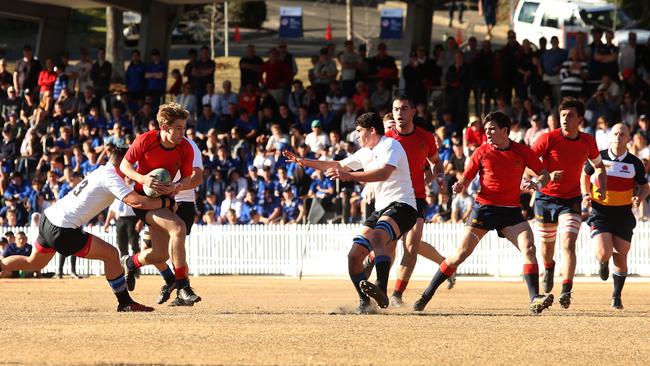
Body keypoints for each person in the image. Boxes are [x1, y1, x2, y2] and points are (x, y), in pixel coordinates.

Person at [414, 111, 554, 314]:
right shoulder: (481, 151)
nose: (487, 132)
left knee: (529, 248)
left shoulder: (523, 151)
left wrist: (537, 182)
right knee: (459, 255)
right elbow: (466, 177)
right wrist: (460, 185)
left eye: (492, 129)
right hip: (485, 209)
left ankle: (535, 299)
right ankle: (426, 295)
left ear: (505, 131)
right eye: (486, 129)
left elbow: (545, 174)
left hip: (510, 212)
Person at [284, 112, 418, 313]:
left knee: (378, 237)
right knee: (354, 256)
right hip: (383, 209)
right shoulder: (364, 152)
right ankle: (365, 303)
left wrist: (349, 175)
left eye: (358, 131)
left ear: (372, 130)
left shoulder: (391, 145)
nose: (356, 136)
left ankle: (381, 289)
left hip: (403, 206)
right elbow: (336, 165)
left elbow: (383, 173)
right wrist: (304, 161)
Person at [0, 148, 164, 312]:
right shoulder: (112, 177)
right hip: (63, 228)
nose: (133, 169)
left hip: (49, 219)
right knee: (112, 255)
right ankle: (125, 302)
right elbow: (137, 202)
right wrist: (166, 203)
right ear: (123, 164)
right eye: (131, 164)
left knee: (34, 262)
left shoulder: (102, 170)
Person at [364, 98, 453, 306]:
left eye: (404, 108)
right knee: (389, 244)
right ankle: (372, 265)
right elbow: (371, 165)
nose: (399, 113)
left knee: (411, 246)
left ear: (413, 111)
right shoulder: (385, 139)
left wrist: (436, 177)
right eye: (395, 109)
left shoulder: (426, 137)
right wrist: (368, 186)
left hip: (417, 198)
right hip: (391, 198)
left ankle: (396, 294)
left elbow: (436, 162)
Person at [119, 102, 201, 306]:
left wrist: (177, 185)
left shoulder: (185, 148)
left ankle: (130, 262)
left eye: (184, 127)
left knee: (160, 254)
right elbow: (124, 165)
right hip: (143, 201)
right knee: (178, 228)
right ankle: (183, 286)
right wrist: (143, 179)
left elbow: (189, 177)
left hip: (165, 200)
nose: (184, 132)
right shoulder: (145, 140)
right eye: (179, 128)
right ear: (165, 127)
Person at [531, 97, 607, 309]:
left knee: (568, 243)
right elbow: (527, 164)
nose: (565, 118)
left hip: (571, 199)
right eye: (563, 115)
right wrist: (545, 175)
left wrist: (600, 182)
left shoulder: (588, 141)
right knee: (547, 248)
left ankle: (566, 289)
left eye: (570, 115)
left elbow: (599, 166)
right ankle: (548, 267)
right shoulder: (548, 138)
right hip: (545, 198)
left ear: (580, 119)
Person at [581, 123, 648, 309]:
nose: (618, 136)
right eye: (615, 133)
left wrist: (639, 198)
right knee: (604, 253)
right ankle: (603, 262)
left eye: (622, 134)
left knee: (621, 257)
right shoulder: (598, 157)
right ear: (611, 136)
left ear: (628, 138)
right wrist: (586, 194)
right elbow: (584, 176)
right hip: (600, 212)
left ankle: (616, 296)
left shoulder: (635, 163)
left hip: (623, 214)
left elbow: (645, 186)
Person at [150, 134, 204, 306]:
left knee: (176, 249)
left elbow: (197, 178)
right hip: (159, 202)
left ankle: (181, 290)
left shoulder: (190, 146)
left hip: (183, 202)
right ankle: (171, 279)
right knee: (150, 250)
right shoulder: (155, 144)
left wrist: (176, 187)